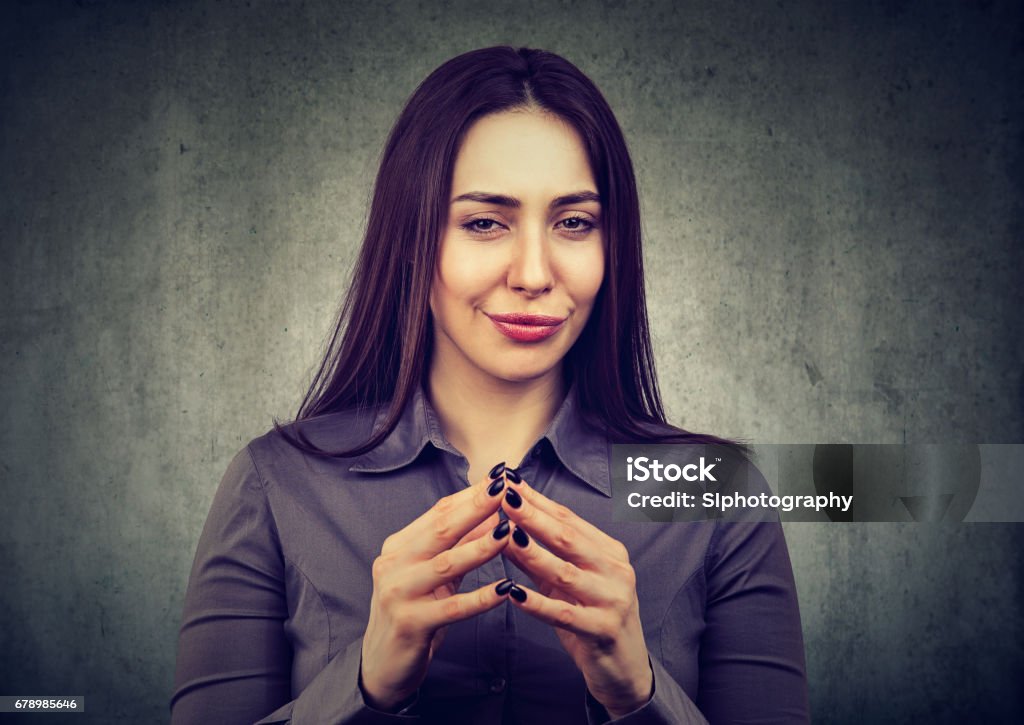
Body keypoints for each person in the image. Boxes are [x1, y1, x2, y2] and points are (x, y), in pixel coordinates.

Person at [170, 46, 809, 724]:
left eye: (574, 222)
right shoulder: (276, 484)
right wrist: (363, 686)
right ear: (414, 239)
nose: (534, 272)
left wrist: (640, 696)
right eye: (484, 222)